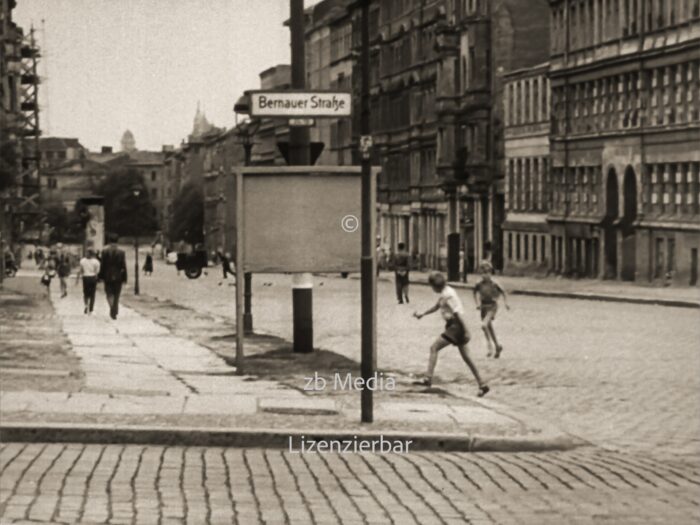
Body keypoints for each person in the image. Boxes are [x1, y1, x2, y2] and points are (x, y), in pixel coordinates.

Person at [413, 272, 489, 397]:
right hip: (453, 326)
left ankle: (428, 378)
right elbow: (437, 306)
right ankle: (482, 384)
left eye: (432, 287)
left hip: (456, 326)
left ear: (435, 286)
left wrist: (466, 331)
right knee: (467, 358)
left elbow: (458, 313)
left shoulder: (448, 294)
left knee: (434, 348)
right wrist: (423, 313)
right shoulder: (445, 292)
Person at [473, 260, 510, 358]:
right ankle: (497, 346)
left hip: (492, 306)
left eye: (488, 273)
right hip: (483, 307)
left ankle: (489, 346)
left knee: (484, 325)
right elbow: (474, 293)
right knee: (489, 328)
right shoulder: (479, 284)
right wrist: (477, 303)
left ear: (491, 273)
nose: (485, 275)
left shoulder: (494, 283)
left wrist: (506, 303)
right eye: (483, 273)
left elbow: (503, 292)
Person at [98, 233, 127, 320]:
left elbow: (102, 265)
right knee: (117, 294)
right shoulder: (121, 252)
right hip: (118, 276)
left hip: (108, 275)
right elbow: (123, 266)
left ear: (109, 241)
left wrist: (100, 276)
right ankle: (114, 309)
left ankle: (112, 308)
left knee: (109, 294)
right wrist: (125, 278)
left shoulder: (105, 251)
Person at [76, 248, 100, 314]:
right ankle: (90, 307)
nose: (86, 254)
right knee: (91, 294)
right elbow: (97, 272)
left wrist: (77, 279)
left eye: (87, 252)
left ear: (90, 253)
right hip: (92, 277)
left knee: (86, 293)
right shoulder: (96, 262)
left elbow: (80, 270)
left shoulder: (83, 261)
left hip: (86, 277)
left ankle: (87, 305)